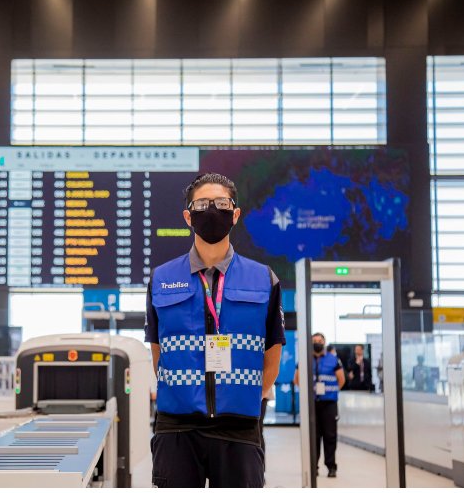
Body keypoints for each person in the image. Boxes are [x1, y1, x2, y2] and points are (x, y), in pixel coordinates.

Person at [145, 173, 285, 488]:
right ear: (187, 216)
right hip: (176, 431)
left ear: (235, 214)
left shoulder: (264, 279)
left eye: (221, 204)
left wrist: (240, 396)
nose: (211, 211)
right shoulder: (162, 279)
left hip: (240, 430)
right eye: (202, 204)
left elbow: (272, 359)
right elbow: (158, 353)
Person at [294, 332, 345, 478]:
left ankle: (331, 467)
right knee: (313, 436)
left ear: (324, 342)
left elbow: (341, 380)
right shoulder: (304, 359)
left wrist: (331, 392)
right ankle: (313, 466)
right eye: (314, 340)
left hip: (329, 403)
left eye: (320, 340)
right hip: (312, 404)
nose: (317, 342)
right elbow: (296, 379)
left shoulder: (333, 359)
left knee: (330, 436)